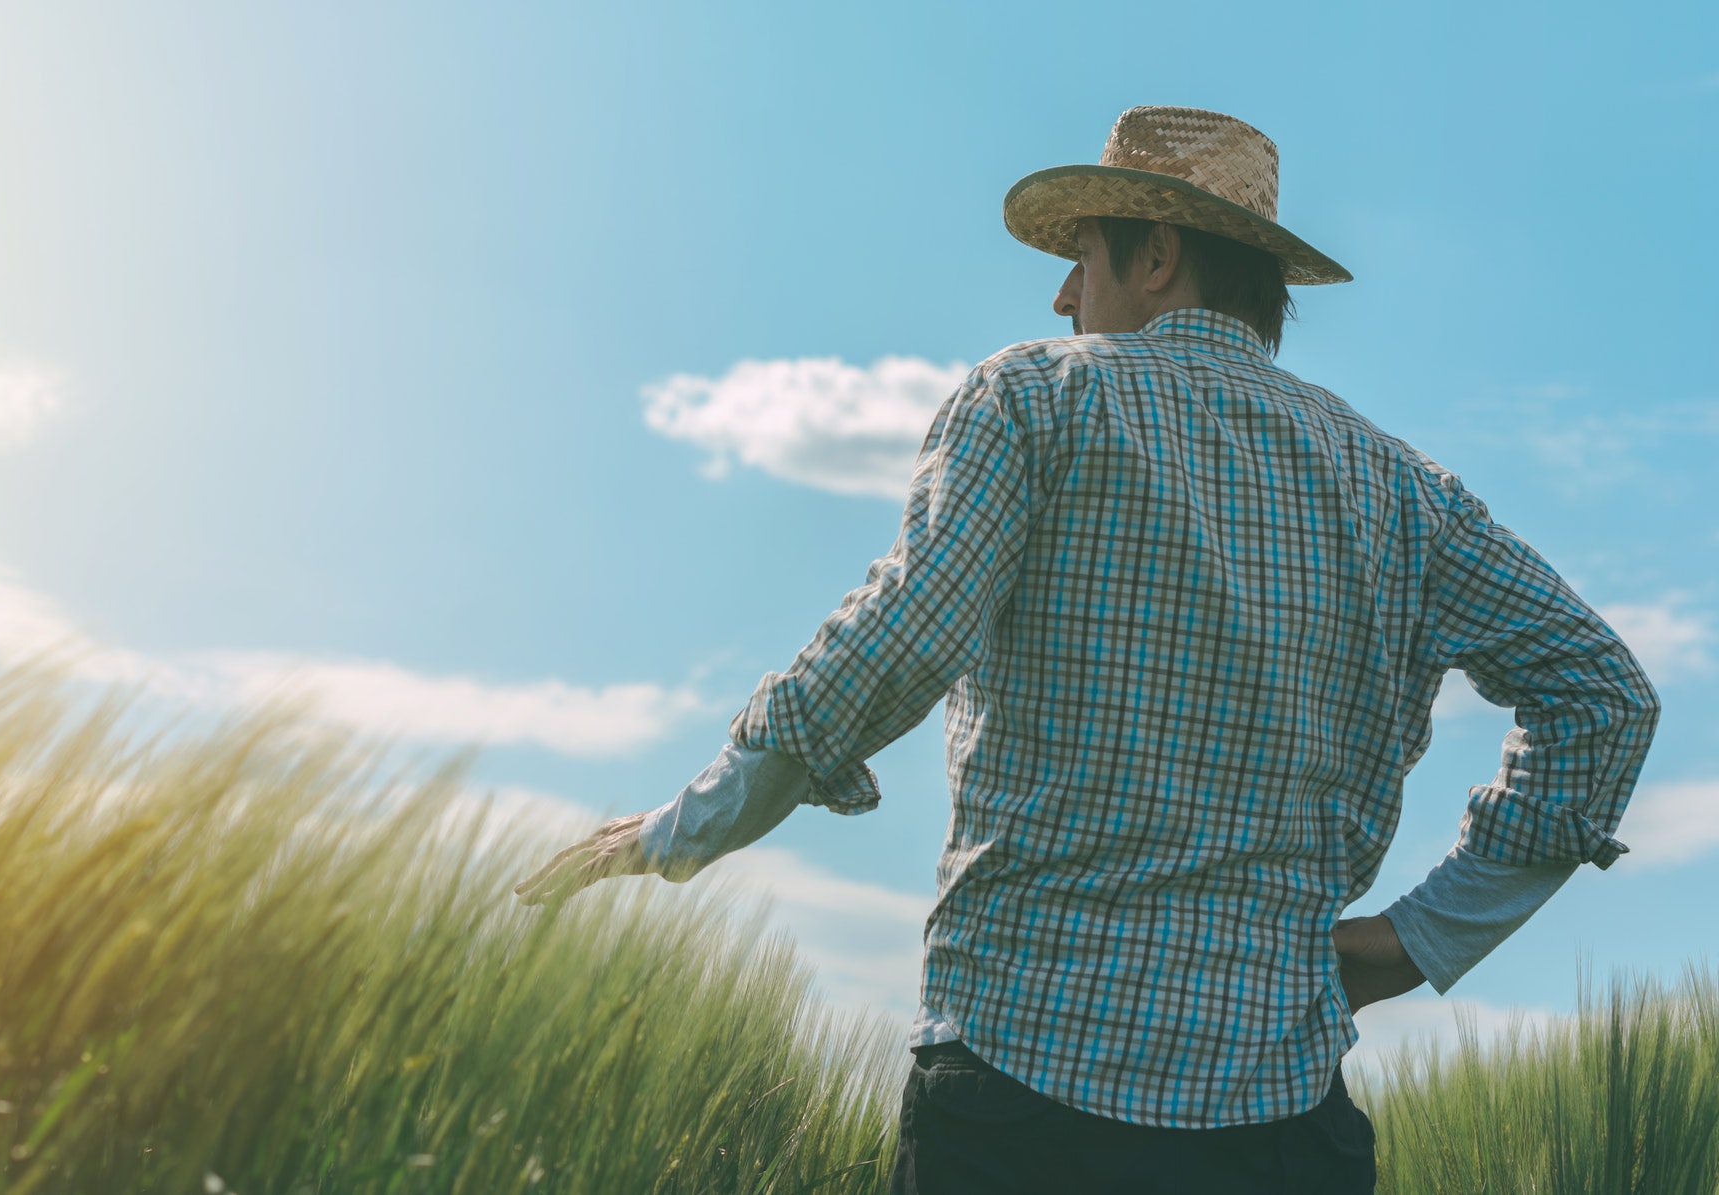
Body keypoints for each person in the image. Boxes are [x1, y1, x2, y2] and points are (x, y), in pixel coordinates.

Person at [515, 106, 1659, 1193]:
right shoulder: (1403, 491)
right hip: (1277, 1115)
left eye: (1084, 258)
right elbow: (1602, 695)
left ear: (1156, 254)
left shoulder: (1032, 400)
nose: (1063, 293)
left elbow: (892, 645)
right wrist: (1422, 936)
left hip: (1020, 1101)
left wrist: (677, 831)